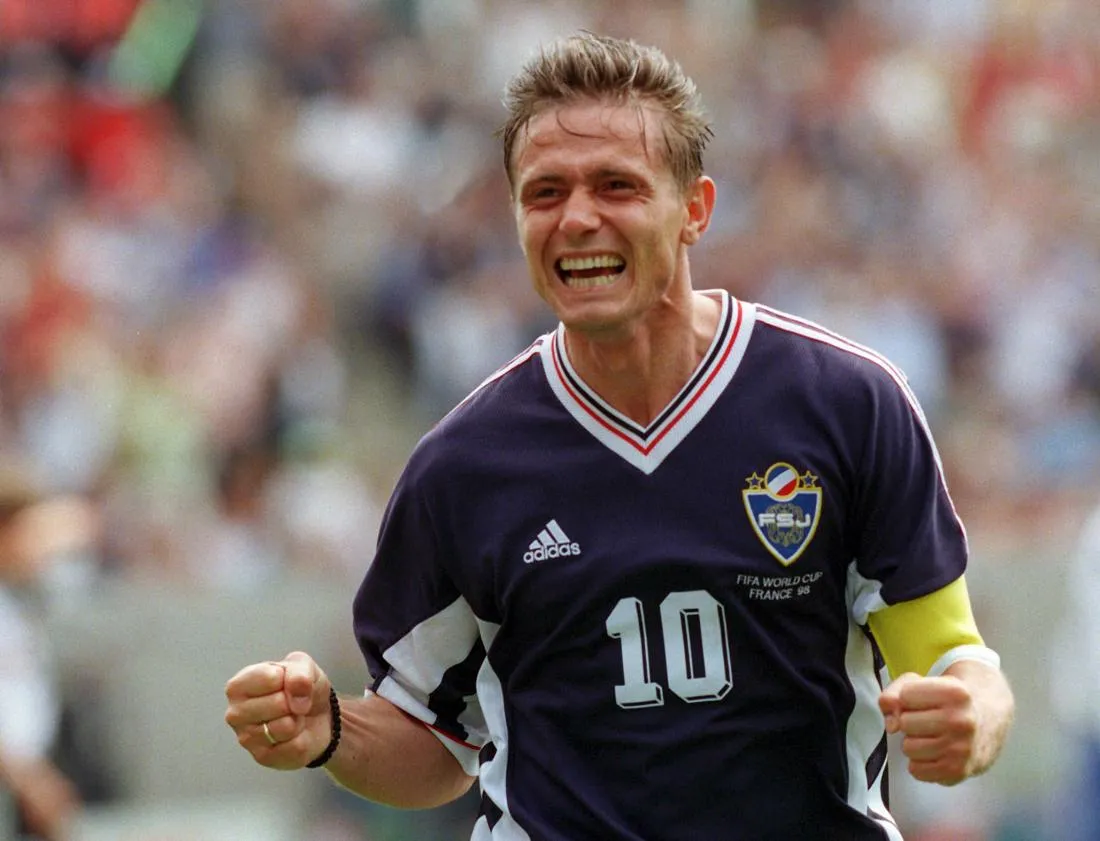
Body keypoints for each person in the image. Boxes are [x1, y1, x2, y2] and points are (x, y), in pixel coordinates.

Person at [224, 32, 1015, 840]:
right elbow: (433, 738)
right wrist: (329, 730)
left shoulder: (847, 404)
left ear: (694, 209)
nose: (577, 218)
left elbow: (952, 656)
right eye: (545, 193)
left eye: (616, 185)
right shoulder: (463, 465)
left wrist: (974, 717)